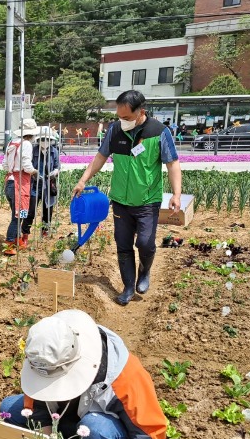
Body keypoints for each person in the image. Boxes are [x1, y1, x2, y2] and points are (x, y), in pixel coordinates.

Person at [0, 309, 166, 439]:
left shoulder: (126, 376)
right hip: (66, 422)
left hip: (101, 434)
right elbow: (38, 406)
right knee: (9, 410)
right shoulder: (44, 358)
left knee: (96, 432)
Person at [72, 90, 182, 306]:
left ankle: (145, 270)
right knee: (123, 245)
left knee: (145, 243)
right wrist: (83, 179)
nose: (122, 121)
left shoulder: (159, 132)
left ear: (141, 112)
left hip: (147, 201)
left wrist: (176, 194)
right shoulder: (114, 130)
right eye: (119, 116)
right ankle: (128, 287)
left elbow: (172, 164)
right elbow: (101, 157)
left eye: (127, 117)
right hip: (121, 200)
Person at [2, 117, 39, 256]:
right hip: (20, 184)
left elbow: (5, 165)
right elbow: (26, 165)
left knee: (19, 213)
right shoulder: (26, 144)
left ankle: (17, 239)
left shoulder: (11, 143)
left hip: (10, 182)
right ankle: (10, 242)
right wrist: (34, 171)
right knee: (18, 216)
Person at [25, 130, 61, 238]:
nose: (45, 141)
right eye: (42, 139)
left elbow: (57, 166)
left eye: (47, 140)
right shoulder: (33, 151)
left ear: (51, 141)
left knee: (48, 210)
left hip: (48, 185)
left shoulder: (54, 151)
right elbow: (28, 166)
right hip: (35, 185)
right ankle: (25, 232)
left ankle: (45, 231)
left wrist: (54, 172)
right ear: (38, 140)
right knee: (30, 210)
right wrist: (33, 173)